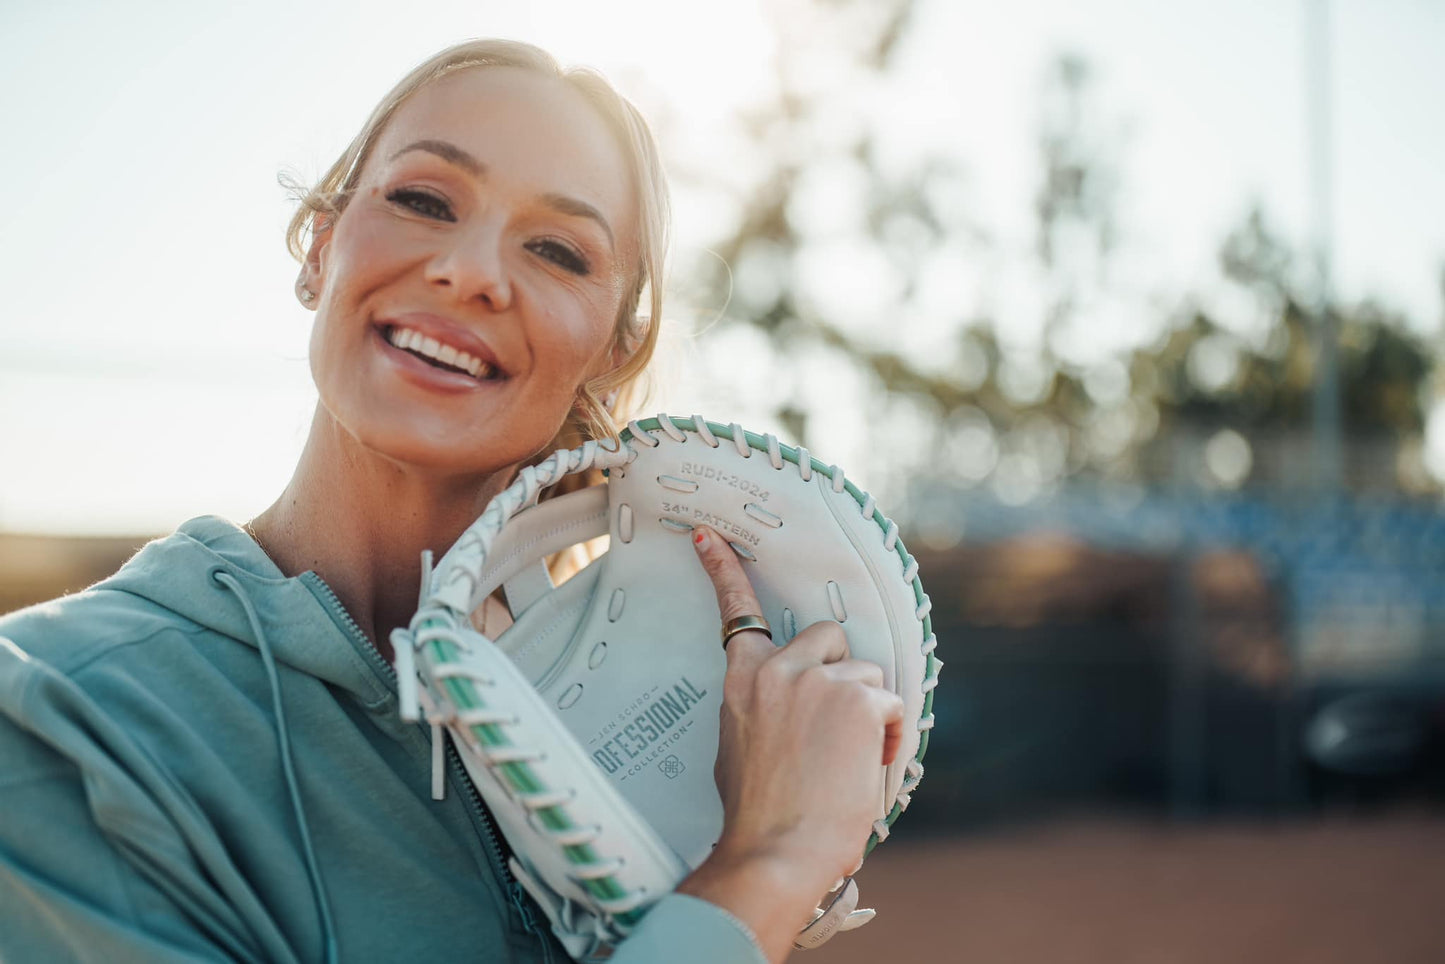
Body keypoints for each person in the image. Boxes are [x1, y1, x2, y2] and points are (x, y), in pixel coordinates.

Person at [0, 39, 903, 964]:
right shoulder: (56, 708)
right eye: (423, 200)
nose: (473, 271)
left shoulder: (622, 747)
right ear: (321, 247)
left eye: (556, 250)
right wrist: (759, 874)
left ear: (610, 352)